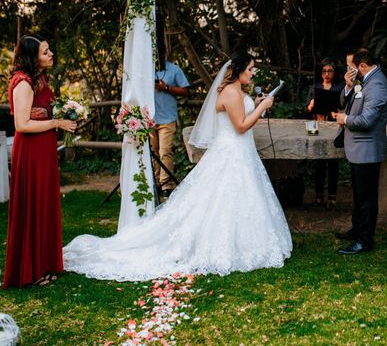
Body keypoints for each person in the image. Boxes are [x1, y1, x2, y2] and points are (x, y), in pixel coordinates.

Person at [63, 52, 293, 281]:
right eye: (251, 69)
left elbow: (242, 114)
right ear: (240, 70)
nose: (253, 73)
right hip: (232, 153)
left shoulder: (236, 92)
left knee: (237, 198)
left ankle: (243, 241)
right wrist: (262, 108)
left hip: (240, 152)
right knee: (225, 197)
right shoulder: (232, 92)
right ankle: (224, 244)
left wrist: (257, 104)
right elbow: (241, 126)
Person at [3, 35, 77, 288]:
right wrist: (57, 122)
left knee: (43, 203)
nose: (50, 54)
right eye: (45, 52)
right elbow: (21, 124)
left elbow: (44, 109)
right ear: (32, 56)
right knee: (32, 205)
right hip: (31, 151)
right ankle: (29, 271)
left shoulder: (39, 80)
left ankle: (42, 262)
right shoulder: (23, 83)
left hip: (44, 150)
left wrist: (65, 114)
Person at [334, 49, 387, 255]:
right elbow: (345, 103)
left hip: (367, 149)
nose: (350, 71)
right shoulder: (364, 81)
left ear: (363, 66)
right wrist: (349, 87)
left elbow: (367, 121)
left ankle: (364, 240)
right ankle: (357, 229)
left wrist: (345, 119)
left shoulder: (376, 86)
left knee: (366, 198)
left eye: (352, 67)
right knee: (359, 195)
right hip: (358, 149)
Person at [305, 58, 344, 207]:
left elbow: (344, 106)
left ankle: (332, 196)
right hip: (316, 125)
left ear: (334, 72)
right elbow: (306, 109)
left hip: (333, 126)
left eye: (330, 71)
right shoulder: (315, 87)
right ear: (320, 72)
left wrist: (339, 111)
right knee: (319, 161)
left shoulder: (340, 87)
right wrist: (310, 105)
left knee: (333, 161)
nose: (327, 74)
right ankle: (319, 196)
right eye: (324, 71)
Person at [152, 59, 190, 198]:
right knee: (153, 152)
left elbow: (185, 90)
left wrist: (166, 88)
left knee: (165, 151)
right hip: (148, 119)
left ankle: (166, 185)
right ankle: (156, 183)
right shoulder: (145, 68)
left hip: (167, 119)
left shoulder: (174, 69)